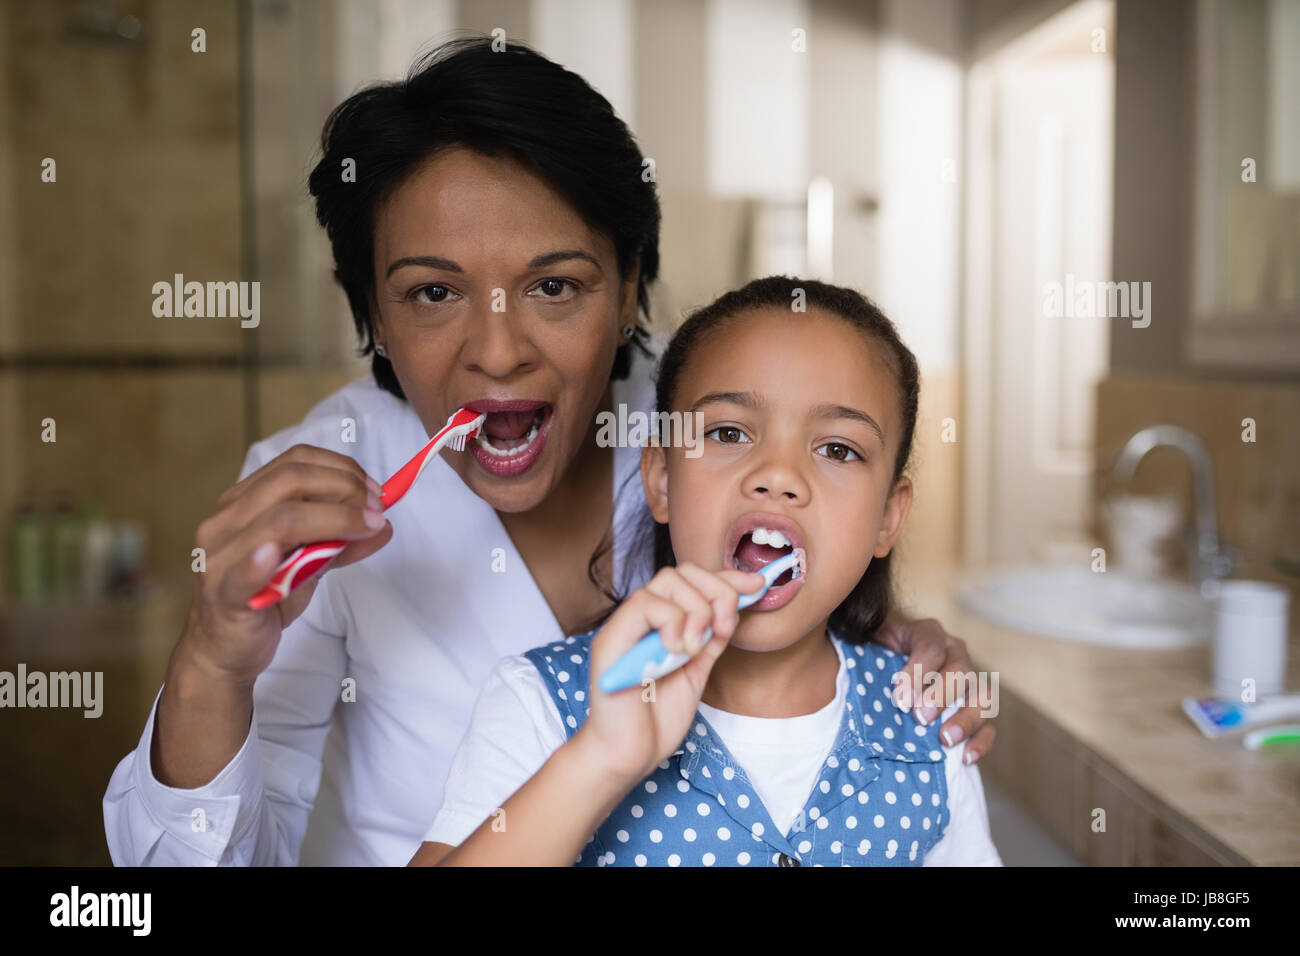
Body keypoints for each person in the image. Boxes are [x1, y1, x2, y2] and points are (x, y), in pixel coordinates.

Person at [103, 38, 993, 867]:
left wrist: (898, 651)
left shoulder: (711, 422)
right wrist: (214, 657)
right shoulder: (310, 495)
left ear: (630, 284)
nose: (498, 351)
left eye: (556, 286)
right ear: (371, 313)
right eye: (433, 292)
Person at [412, 277, 1001, 867]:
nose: (778, 474)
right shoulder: (540, 704)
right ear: (662, 478)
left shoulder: (929, 722)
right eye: (727, 433)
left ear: (888, 519)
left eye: (838, 449)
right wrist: (599, 759)